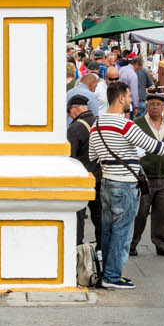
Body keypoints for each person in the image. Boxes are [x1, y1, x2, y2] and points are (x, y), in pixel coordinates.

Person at [87, 81, 164, 287]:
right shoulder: (126, 125)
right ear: (120, 98)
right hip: (125, 185)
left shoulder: (97, 124)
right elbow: (154, 146)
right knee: (122, 233)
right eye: (128, 96)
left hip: (107, 183)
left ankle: (106, 272)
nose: (130, 100)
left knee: (108, 231)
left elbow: (93, 155)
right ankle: (113, 276)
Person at [129, 89, 164, 259]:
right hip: (144, 176)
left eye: (158, 104)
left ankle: (162, 244)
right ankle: (131, 243)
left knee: (162, 213)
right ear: (147, 106)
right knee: (140, 212)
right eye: (152, 104)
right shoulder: (137, 123)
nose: (155, 107)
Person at [67, 93, 101, 247]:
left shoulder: (75, 127)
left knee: (78, 217)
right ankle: (102, 248)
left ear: (74, 109)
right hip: (100, 177)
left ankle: (77, 249)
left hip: (82, 179)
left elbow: (70, 157)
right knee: (99, 216)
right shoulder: (99, 123)